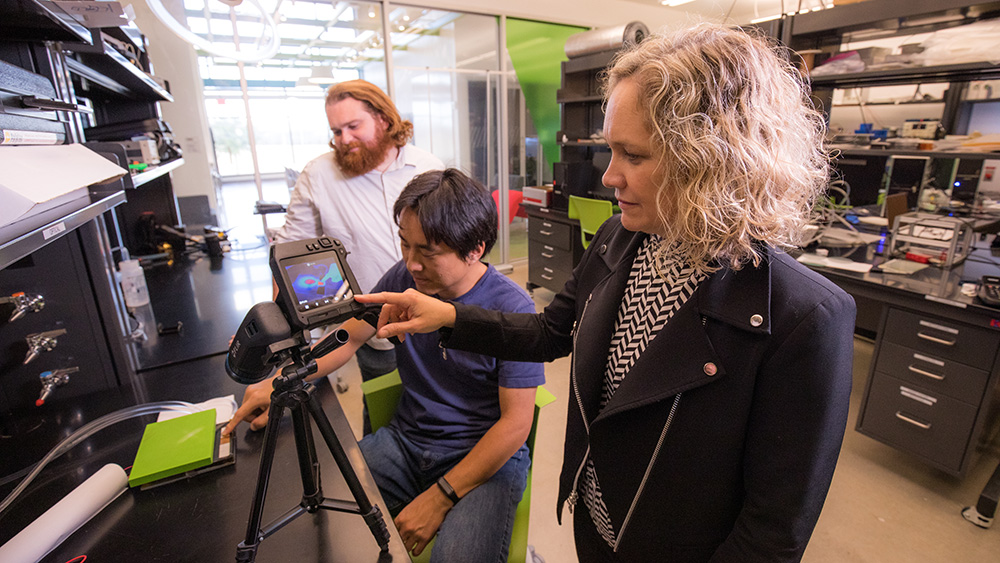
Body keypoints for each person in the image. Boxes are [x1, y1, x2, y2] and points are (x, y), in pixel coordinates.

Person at [357, 23, 856, 562]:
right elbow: (551, 332)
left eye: (633, 156)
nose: (609, 177)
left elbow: (771, 534)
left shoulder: (805, 318)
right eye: (609, 150)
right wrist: (449, 317)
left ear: (712, 158)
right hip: (597, 527)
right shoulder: (625, 238)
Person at [225, 169, 545, 561]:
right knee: (321, 522)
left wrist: (441, 497)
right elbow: (348, 338)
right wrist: (277, 382)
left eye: (427, 251)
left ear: (475, 248)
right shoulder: (407, 278)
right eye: (404, 245)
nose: (411, 264)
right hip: (407, 443)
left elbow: (515, 424)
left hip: (480, 459)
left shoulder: (512, 308)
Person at [275, 79, 444, 396]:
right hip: (371, 327)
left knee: (438, 401)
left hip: (433, 316)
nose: (344, 139)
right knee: (383, 403)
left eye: (353, 126)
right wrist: (281, 328)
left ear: (383, 118)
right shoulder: (318, 175)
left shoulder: (426, 167)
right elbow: (287, 254)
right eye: (336, 131)